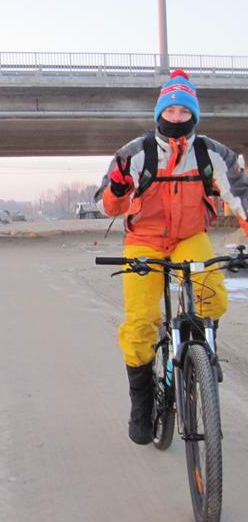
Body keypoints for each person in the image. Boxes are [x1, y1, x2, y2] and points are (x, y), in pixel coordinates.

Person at [94, 69, 248, 445]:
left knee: (212, 290)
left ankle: (199, 354)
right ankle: (141, 403)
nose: (177, 117)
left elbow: (240, 195)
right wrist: (116, 190)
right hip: (144, 241)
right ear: (160, 113)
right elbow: (106, 206)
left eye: (184, 111)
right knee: (142, 321)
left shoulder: (210, 152)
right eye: (171, 110)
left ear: (194, 115)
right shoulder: (135, 153)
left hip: (190, 236)